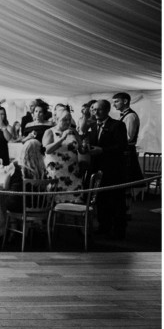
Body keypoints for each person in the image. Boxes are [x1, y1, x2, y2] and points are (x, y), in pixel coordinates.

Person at [85, 100, 128, 239]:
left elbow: (121, 147)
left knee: (116, 200)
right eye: (94, 110)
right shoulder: (92, 126)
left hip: (113, 169)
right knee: (101, 200)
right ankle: (104, 226)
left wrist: (102, 150)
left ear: (107, 110)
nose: (95, 112)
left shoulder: (118, 125)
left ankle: (119, 230)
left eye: (99, 110)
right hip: (96, 169)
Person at [43, 111, 82, 203]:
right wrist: (62, 138)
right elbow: (47, 150)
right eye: (64, 120)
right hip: (57, 173)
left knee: (75, 200)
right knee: (57, 201)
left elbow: (80, 148)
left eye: (69, 119)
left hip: (73, 172)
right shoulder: (50, 132)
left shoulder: (73, 131)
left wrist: (85, 147)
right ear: (56, 119)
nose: (68, 122)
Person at [112, 92, 143, 205]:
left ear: (125, 101)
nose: (114, 104)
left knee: (127, 181)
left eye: (116, 101)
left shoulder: (130, 116)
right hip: (124, 151)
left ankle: (127, 209)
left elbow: (128, 137)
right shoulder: (125, 115)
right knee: (124, 180)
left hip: (127, 151)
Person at [5, 139, 47, 213]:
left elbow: (5, 186)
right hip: (38, 204)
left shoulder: (15, 166)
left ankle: (13, 224)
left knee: (5, 198)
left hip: (17, 204)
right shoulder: (42, 169)